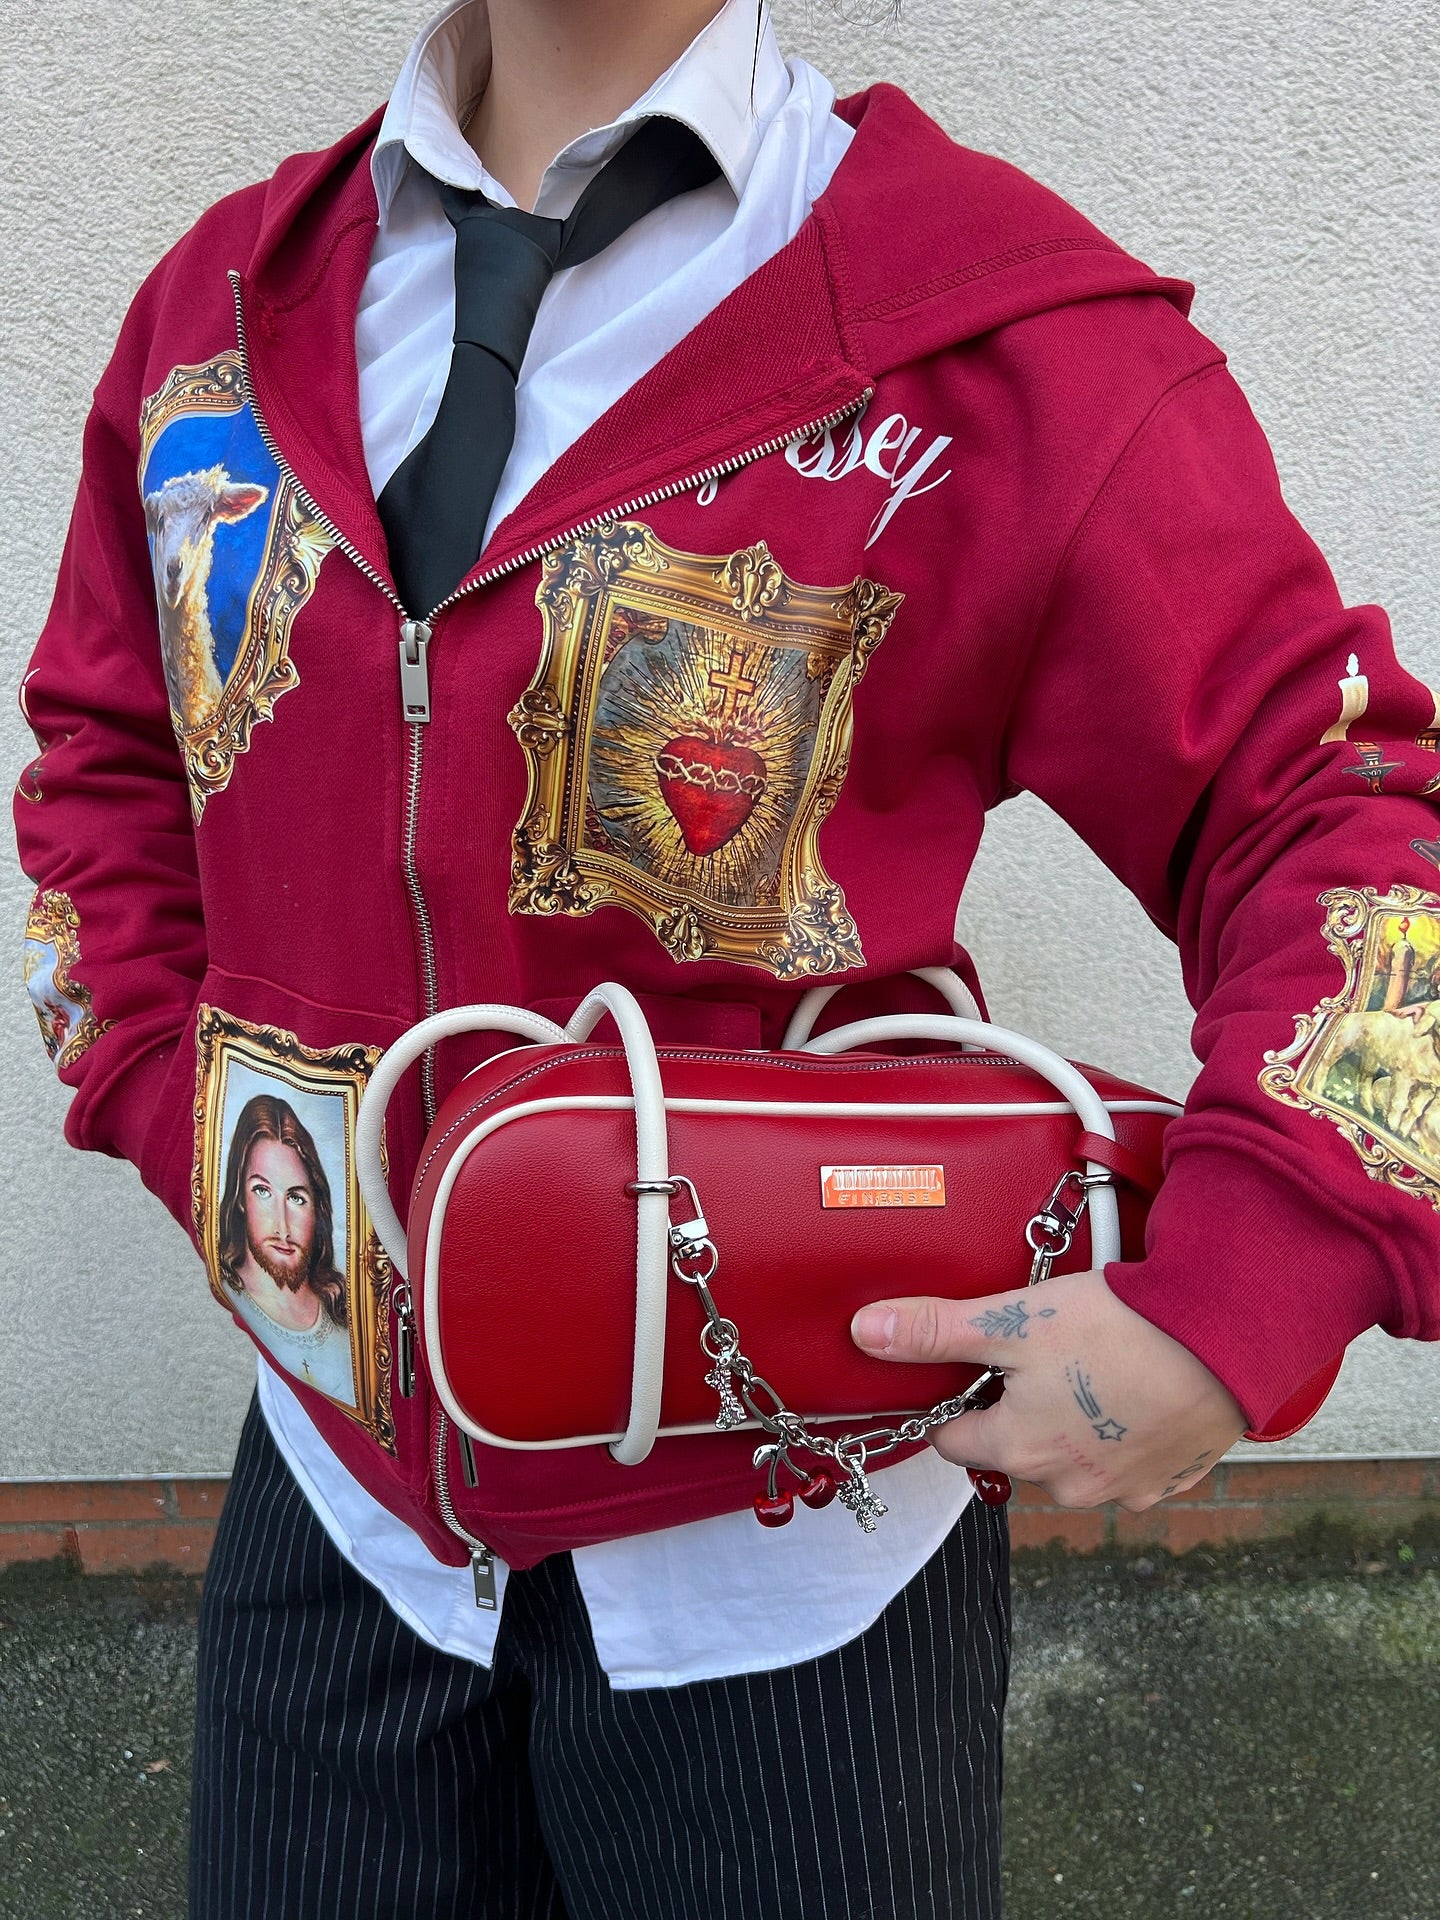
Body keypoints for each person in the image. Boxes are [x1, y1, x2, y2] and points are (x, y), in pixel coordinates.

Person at [14, 0, 1439, 1914]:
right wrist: (183, 1121)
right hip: (335, 1521)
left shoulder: (1009, 345)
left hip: (798, 1564)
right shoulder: (221, 314)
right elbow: (105, 764)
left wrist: (1250, 1290)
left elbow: (1342, 812)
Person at [216, 1093, 356, 1406]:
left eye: (296, 1198)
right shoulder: (231, 1281)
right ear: (239, 1196)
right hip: (279, 1416)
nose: (282, 1226)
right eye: (262, 1191)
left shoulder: (339, 1302)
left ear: (317, 1208)